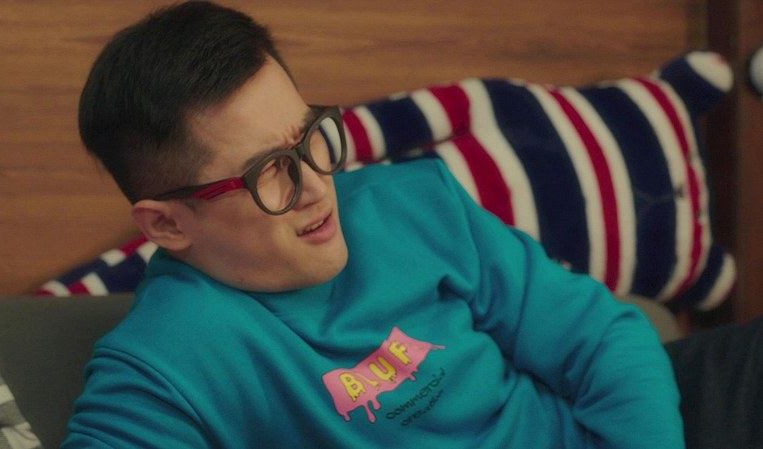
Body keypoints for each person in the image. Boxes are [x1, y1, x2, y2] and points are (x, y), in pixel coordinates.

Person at [62, 2, 704, 448]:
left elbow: (602, 337)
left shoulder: (413, 201)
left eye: (310, 136)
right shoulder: (167, 359)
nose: (318, 185)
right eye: (268, 171)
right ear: (167, 225)